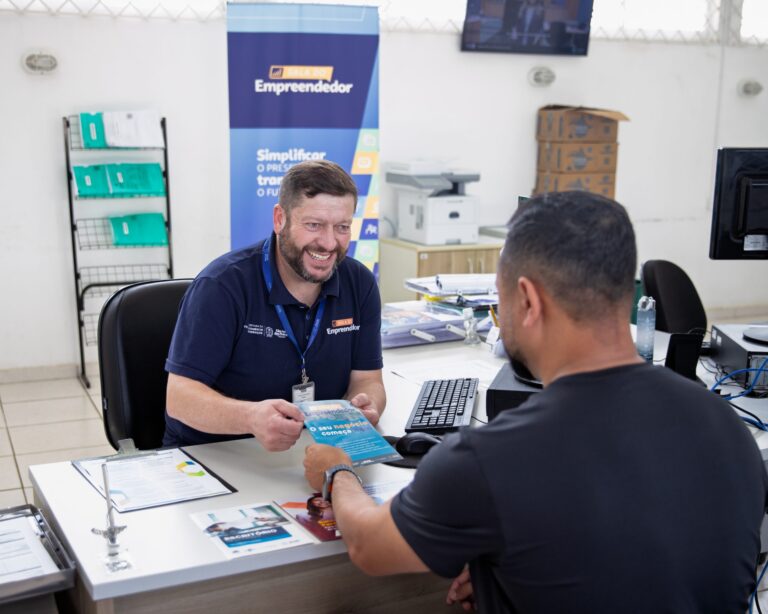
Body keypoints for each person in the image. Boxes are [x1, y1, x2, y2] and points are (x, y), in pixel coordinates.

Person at [303, 191, 768, 613]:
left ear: (526, 300)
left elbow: (368, 546)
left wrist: (337, 471)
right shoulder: (725, 424)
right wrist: (508, 575)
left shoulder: (490, 460)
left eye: (497, 301)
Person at [164, 160, 385, 449]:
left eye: (342, 227)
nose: (330, 243)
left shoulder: (360, 283)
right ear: (280, 219)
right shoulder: (222, 286)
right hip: (217, 455)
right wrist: (250, 418)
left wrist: (367, 407)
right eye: (314, 225)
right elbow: (179, 399)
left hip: (311, 450)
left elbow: (368, 380)